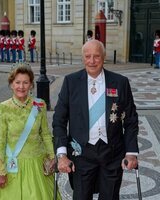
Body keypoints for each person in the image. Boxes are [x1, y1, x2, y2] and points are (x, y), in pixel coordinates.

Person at [52, 39, 139, 200]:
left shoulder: (120, 82)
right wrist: (62, 155)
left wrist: (131, 153)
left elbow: (131, 120)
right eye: (88, 56)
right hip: (81, 154)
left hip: (112, 153)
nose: (92, 61)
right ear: (83, 58)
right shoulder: (71, 82)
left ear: (104, 57)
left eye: (96, 56)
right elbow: (59, 120)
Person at [0, 64, 61, 200]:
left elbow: (45, 134)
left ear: (31, 84)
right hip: (11, 166)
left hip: (35, 166)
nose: (21, 87)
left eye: (25, 82)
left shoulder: (39, 105)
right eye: (17, 82)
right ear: (11, 84)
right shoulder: (2, 108)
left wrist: (52, 157)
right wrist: (0, 171)